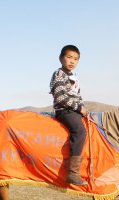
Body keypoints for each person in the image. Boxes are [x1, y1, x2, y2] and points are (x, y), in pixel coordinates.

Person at [50, 45, 89, 185]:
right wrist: (79, 108)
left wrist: (83, 108)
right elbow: (60, 97)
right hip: (64, 111)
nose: (72, 61)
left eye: (76, 59)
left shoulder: (75, 77)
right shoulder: (59, 74)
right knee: (79, 132)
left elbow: (77, 96)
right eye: (69, 57)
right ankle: (73, 173)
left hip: (74, 109)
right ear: (61, 58)